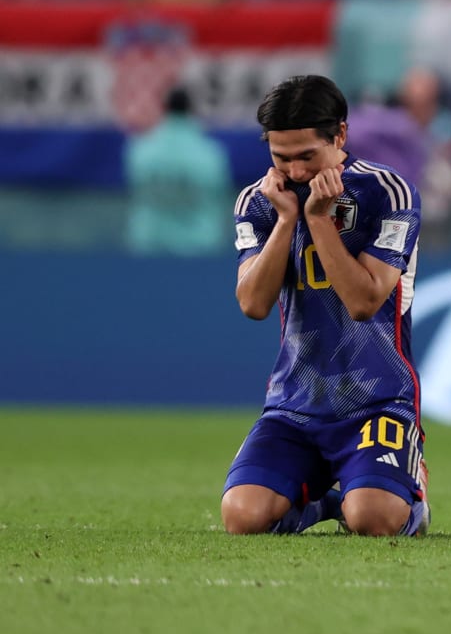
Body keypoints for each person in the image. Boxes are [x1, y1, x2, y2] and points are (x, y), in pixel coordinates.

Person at [222, 75, 427, 538]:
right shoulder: (258, 202)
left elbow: (364, 301)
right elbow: (253, 304)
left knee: (375, 520)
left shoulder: (387, 193)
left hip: (379, 401)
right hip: (294, 405)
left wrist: (318, 220)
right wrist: (287, 220)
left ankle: (411, 498)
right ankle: (321, 503)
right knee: (242, 517)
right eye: (281, 157)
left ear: (340, 136)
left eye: (306, 157)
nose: (294, 172)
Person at [124, 86, 232, 255]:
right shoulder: (211, 154)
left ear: (164, 109)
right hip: (199, 243)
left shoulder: (140, 150)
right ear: (191, 110)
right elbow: (219, 195)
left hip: (149, 242)